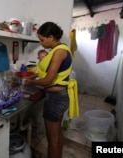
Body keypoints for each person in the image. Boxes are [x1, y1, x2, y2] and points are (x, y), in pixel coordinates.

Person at [24, 22, 72, 158]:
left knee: (52, 139)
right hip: (59, 97)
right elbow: (44, 72)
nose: (41, 43)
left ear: (51, 37)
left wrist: (31, 82)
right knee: (57, 135)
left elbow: (48, 80)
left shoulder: (59, 52)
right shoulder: (58, 50)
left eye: (42, 39)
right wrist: (32, 75)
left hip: (56, 99)